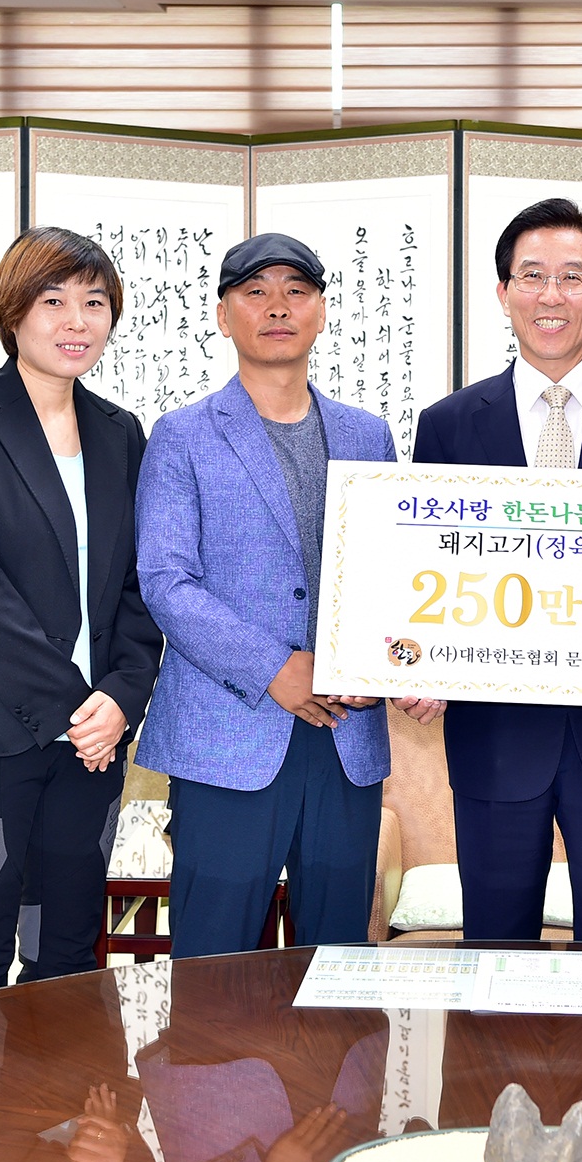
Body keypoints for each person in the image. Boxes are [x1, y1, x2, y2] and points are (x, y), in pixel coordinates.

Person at [136, 232, 433, 958]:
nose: (277, 307)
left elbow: (393, 574)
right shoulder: (181, 435)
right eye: (255, 292)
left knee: (338, 963)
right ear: (223, 314)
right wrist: (275, 667)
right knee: (214, 965)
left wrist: (394, 665)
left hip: (346, 735)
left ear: (322, 312)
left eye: (296, 292)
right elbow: (166, 580)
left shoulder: (367, 434)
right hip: (228, 730)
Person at [412, 198, 582, 946]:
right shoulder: (448, 425)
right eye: (532, 275)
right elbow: (426, 566)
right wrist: (418, 660)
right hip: (495, 736)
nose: (551, 295)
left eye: (573, 277)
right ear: (502, 290)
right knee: (494, 952)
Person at [0, 225, 164, 1000]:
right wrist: (78, 706)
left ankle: (58, 1089)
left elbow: (140, 584)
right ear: (13, 312)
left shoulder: (120, 432)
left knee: (66, 951)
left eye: (94, 302)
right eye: (53, 301)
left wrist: (123, 696)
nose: (77, 321)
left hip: (91, 747)